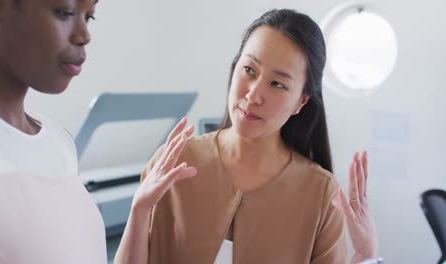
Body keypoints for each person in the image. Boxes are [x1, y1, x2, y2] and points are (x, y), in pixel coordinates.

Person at [115, 8, 381, 264]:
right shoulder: (174, 162)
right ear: (234, 68)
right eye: (249, 70)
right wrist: (139, 211)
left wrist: (365, 254)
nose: (253, 95)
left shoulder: (321, 194)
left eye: (277, 83)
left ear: (301, 102)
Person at [0, 0, 195, 263]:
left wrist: (141, 209)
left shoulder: (59, 142)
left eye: (89, 16)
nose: (84, 36)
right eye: (65, 13)